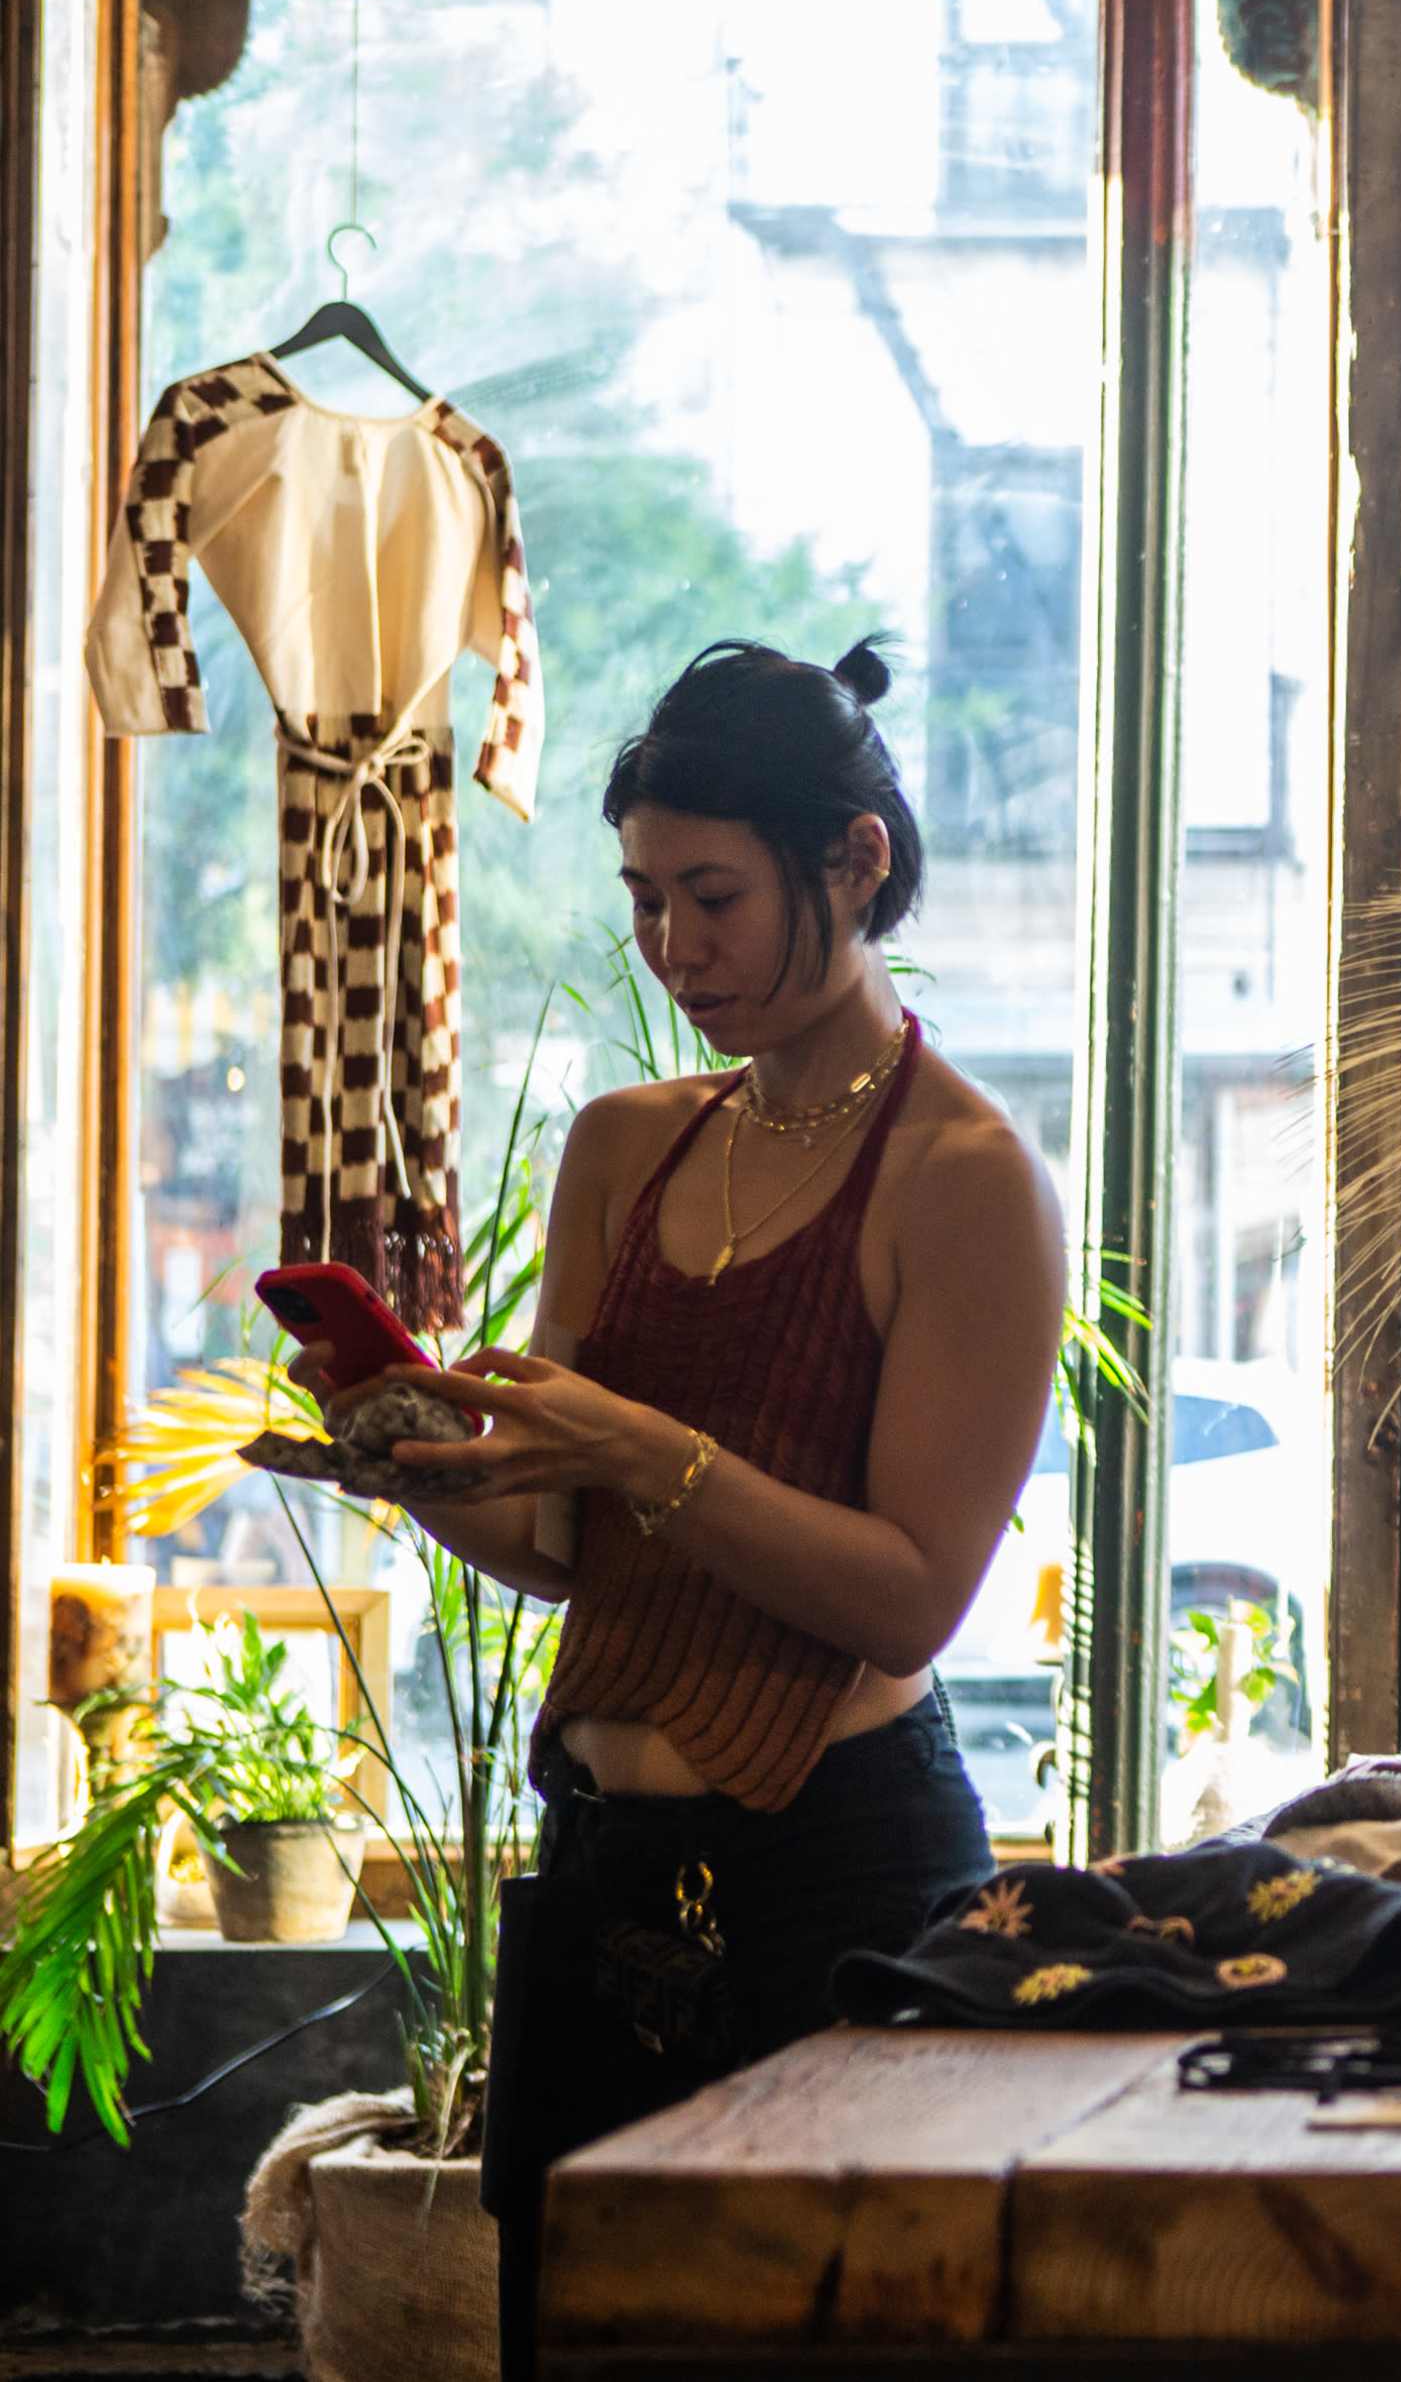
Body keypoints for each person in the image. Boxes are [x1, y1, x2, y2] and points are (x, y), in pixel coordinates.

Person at [292, 639, 1066, 2379]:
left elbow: (909, 1600)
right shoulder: (623, 1146)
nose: (671, 948)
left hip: (841, 1870)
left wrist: (642, 1447)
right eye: (644, 898)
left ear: (855, 860)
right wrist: (415, 1468)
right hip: (605, 1869)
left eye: (711, 896)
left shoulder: (967, 1176)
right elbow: (565, 1558)